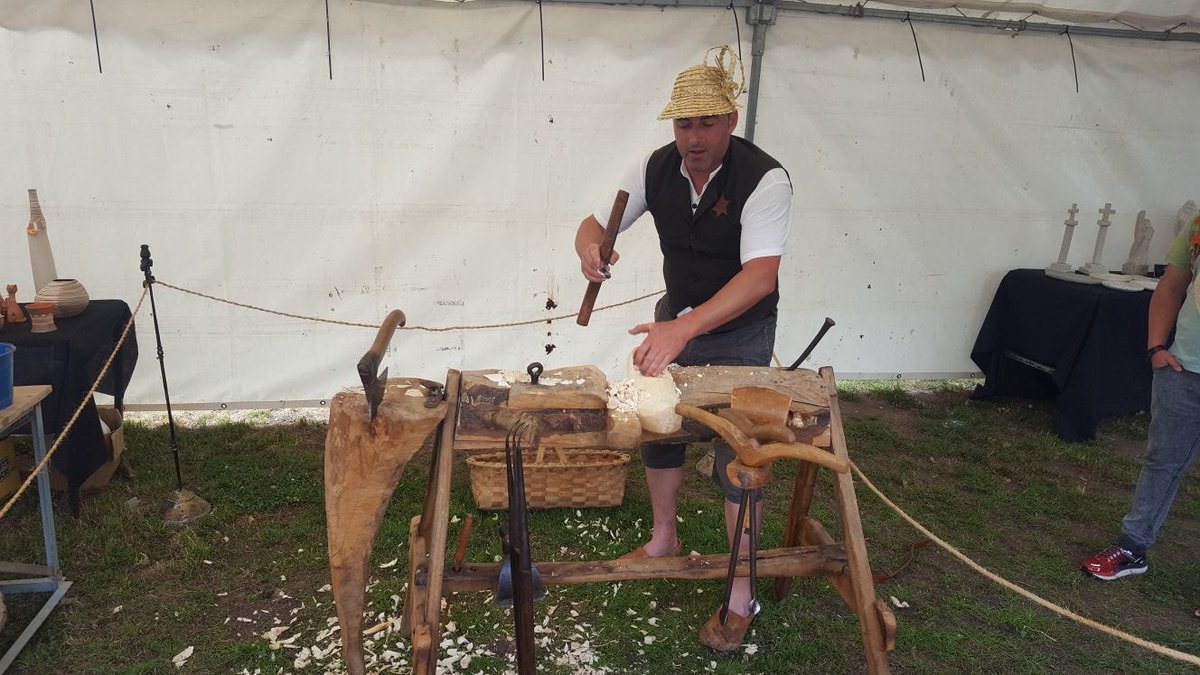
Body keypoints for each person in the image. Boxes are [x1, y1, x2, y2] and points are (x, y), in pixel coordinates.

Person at [573, 45, 793, 651]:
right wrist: (589, 248)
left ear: (731, 121)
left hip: (739, 333)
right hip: (675, 322)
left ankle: (741, 590)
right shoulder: (656, 167)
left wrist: (683, 330)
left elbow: (760, 277)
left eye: (707, 124)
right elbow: (594, 223)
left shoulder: (765, 179)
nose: (693, 139)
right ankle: (664, 538)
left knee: (738, 455)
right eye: (684, 124)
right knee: (658, 427)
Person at [1082, 211, 1200, 581]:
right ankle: (1132, 547)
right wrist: (1156, 347)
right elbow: (1172, 285)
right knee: (1162, 460)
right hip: (1184, 368)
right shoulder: (1198, 223)